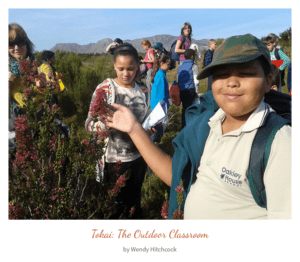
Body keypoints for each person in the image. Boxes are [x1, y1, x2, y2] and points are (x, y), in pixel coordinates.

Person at [101, 34, 291, 220]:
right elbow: (178, 176)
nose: (232, 82)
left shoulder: (279, 142)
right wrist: (134, 129)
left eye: (246, 73)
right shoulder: (208, 123)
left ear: (268, 80)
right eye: (222, 75)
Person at [85, 44, 150, 219]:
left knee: (135, 201)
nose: (126, 73)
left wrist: (151, 130)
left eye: (130, 69)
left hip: (138, 157)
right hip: (113, 161)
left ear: (138, 67)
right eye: (121, 69)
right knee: (114, 205)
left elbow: (146, 120)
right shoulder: (105, 88)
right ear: (114, 66)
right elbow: (89, 123)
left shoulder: (143, 90)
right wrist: (106, 125)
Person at [9, 23, 46, 150]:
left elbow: (55, 86)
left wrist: (43, 84)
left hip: (41, 122)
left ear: (27, 43)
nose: (16, 48)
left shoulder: (40, 65)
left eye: (20, 43)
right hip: (12, 127)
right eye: (10, 44)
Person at [149, 53, 171, 142]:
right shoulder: (161, 74)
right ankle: (154, 145)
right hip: (160, 104)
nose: (169, 66)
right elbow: (161, 93)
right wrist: (163, 106)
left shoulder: (158, 73)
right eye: (168, 64)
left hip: (155, 103)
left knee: (156, 125)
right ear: (162, 63)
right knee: (159, 126)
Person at [177, 49, 196, 128]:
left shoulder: (180, 67)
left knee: (184, 109)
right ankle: (189, 127)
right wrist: (196, 92)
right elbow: (196, 81)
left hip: (182, 90)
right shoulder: (193, 66)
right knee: (191, 109)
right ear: (192, 57)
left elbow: (178, 79)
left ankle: (183, 126)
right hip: (190, 90)